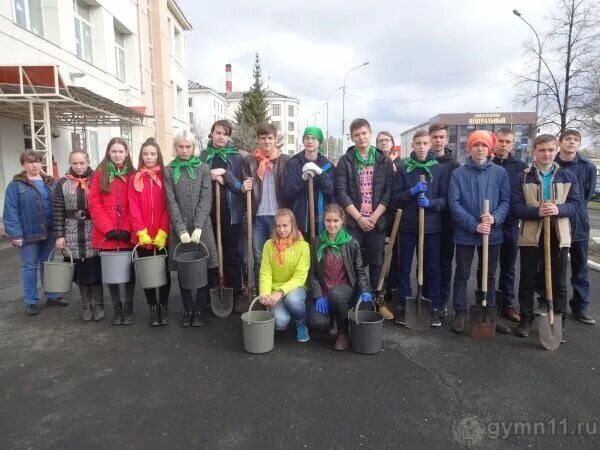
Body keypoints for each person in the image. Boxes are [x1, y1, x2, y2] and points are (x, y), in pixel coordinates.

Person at [512, 134, 579, 341]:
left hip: (559, 234)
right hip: (532, 235)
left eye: (550, 150)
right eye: (542, 150)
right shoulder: (523, 177)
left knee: (558, 281)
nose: (547, 154)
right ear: (534, 151)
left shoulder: (567, 177)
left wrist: (558, 208)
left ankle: (558, 320)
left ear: (556, 150)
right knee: (527, 279)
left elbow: (576, 205)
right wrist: (536, 212)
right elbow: (516, 208)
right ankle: (526, 319)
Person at [448, 131, 510, 333]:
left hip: (491, 234)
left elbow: (505, 201)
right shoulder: (459, 173)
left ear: (489, 148)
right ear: (470, 148)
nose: (480, 148)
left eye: (484, 145)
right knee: (462, 273)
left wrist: (494, 219)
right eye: (476, 145)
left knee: (489, 274)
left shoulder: (500, 173)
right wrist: (473, 225)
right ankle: (460, 312)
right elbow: (454, 203)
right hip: (466, 233)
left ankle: (488, 311)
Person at [335, 118, 393, 319]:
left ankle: (379, 301)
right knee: (352, 262)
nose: (361, 137)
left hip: (377, 222)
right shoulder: (346, 161)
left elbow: (387, 193)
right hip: (353, 222)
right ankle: (354, 301)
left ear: (370, 133)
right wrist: (359, 218)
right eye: (357, 134)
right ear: (352, 137)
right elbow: (341, 193)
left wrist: (374, 217)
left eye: (364, 133)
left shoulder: (383, 161)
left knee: (377, 263)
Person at [391, 130, 449, 327]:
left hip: (431, 228)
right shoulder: (403, 168)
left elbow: (445, 199)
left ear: (429, 145)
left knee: (432, 268)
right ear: (413, 145)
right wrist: (412, 192)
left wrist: (431, 203)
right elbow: (396, 198)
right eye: (418, 143)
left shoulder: (440, 169)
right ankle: (404, 306)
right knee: (404, 267)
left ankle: (432, 306)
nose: (422, 147)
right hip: (407, 226)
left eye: (425, 143)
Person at [164, 130, 218, 327]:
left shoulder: (203, 168)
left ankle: (199, 309)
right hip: (180, 230)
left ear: (194, 148)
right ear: (176, 147)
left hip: (201, 228)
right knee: (184, 270)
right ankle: (188, 308)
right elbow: (171, 202)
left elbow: (206, 198)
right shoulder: (169, 170)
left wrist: (198, 227)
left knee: (201, 269)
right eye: (181, 146)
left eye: (188, 147)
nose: (185, 150)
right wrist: (181, 229)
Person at [3, 150, 64, 316]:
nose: (35, 165)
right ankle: (31, 301)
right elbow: (11, 211)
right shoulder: (16, 185)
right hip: (28, 234)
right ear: (23, 164)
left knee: (49, 265)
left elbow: (58, 207)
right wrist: (16, 234)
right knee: (29, 267)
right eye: (30, 162)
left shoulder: (50, 183)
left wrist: (60, 231)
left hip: (49, 231)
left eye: (38, 161)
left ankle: (52, 296)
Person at [307, 203, 371, 350]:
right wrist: (318, 295)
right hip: (324, 289)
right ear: (323, 221)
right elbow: (311, 274)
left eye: (335, 221)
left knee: (336, 295)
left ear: (342, 221)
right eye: (328, 221)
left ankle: (343, 331)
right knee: (317, 322)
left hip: (344, 287)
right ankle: (332, 318)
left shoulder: (351, 243)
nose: (332, 225)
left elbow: (359, 271)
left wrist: (365, 290)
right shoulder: (316, 242)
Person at [89, 137, 136, 325]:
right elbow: (94, 203)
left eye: (121, 151)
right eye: (114, 151)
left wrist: (125, 228)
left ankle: (129, 305)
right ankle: (117, 308)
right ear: (109, 152)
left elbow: (134, 203)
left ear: (126, 153)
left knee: (129, 272)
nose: (117, 155)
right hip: (106, 234)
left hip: (126, 234)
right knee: (112, 274)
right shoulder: (100, 174)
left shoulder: (133, 174)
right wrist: (108, 229)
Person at [53, 149, 103, 322]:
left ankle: (99, 305)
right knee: (81, 273)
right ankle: (86, 306)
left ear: (88, 162)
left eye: (82, 163)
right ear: (70, 163)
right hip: (72, 230)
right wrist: (59, 235)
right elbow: (58, 210)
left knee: (95, 270)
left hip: (93, 229)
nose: (78, 166)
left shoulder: (97, 178)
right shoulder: (62, 183)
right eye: (75, 163)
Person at [200, 120, 247, 299]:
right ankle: (213, 290)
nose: (221, 137)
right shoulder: (203, 157)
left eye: (225, 134)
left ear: (229, 137)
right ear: (211, 133)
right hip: (208, 213)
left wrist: (225, 175)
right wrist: (211, 177)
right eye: (218, 132)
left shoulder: (236, 158)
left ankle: (234, 292)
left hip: (231, 213)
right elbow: (198, 182)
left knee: (232, 254)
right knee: (211, 254)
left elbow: (240, 187)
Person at [554, 129, 597, 325]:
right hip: (555, 222)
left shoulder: (587, 166)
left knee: (580, 266)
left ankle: (580, 305)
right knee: (553, 265)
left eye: (576, 140)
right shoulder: (550, 163)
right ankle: (549, 302)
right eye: (568, 139)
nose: (572, 142)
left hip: (578, 223)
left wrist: (572, 208)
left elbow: (587, 195)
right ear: (560, 142)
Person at [128, 137, 171, 327]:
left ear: (158, 155)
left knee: (163, 272)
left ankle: (163, 304)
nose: (149, 157)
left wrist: (163, 230)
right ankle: (152, 306)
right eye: (145, 154)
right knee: (147, 272)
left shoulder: (166, 176)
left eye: (153, 154)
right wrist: (140, 231)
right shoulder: (135, 178)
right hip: (143, 234)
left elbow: (168, 205)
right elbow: (133, 206)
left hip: (161, 234)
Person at [242, 123, 290, 289]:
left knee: (279, 255)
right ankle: (260, 292)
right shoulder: (250, 161)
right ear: (258, 139)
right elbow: (244, 186)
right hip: (257, 217)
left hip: (279, 218)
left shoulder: (285, 161)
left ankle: (277, 289)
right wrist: (243, 187)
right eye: (263, 138)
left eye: (270, 138)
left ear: (275, 139)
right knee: (258, 258)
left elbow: (290, 188)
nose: (267, 141)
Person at [490, 128, 528, 332]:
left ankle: (508, 305)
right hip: (492, 222)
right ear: (494, 143)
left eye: (508, 141)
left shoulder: (521, 168)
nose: (503, 145)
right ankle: (488, 304)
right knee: (488, 268)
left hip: (511, 225)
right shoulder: (488, 164)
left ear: (513, 144)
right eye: (500, 141)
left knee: (508, 267)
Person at [259, 208, 311, 342]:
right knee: (281, 322)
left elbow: (300, 277)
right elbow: (266, 272)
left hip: (296, 288)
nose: (281, 230)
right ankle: (284, 313)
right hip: (275, 289)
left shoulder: (303, 246)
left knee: (292, 300)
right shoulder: (268, 245)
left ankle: (301, 321)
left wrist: (280, 293)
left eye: (285, 225)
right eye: (278, 226)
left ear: (292, 225)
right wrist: (265, 293)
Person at [428, 123, 460, 318]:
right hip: (428, 223)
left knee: (445, 263)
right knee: (429, 263)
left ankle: (441, 301)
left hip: (447, 223)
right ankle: (427, 298)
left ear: (447, 139)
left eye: (442, 137)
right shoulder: (425, 161)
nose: (438, 141)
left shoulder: (454, 165)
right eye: (435, 137)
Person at [283, 126, 335, 237]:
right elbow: (288, 193)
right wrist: (302, 179)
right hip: (300, 219)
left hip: (322, 218)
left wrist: (321, 174)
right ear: (303, 140)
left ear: (319, 141)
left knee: (319, 252)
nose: (310, 141)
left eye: (314, 138)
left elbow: (331, 192)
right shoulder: (294, 164)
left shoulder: (327, 166)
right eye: (307, 138)